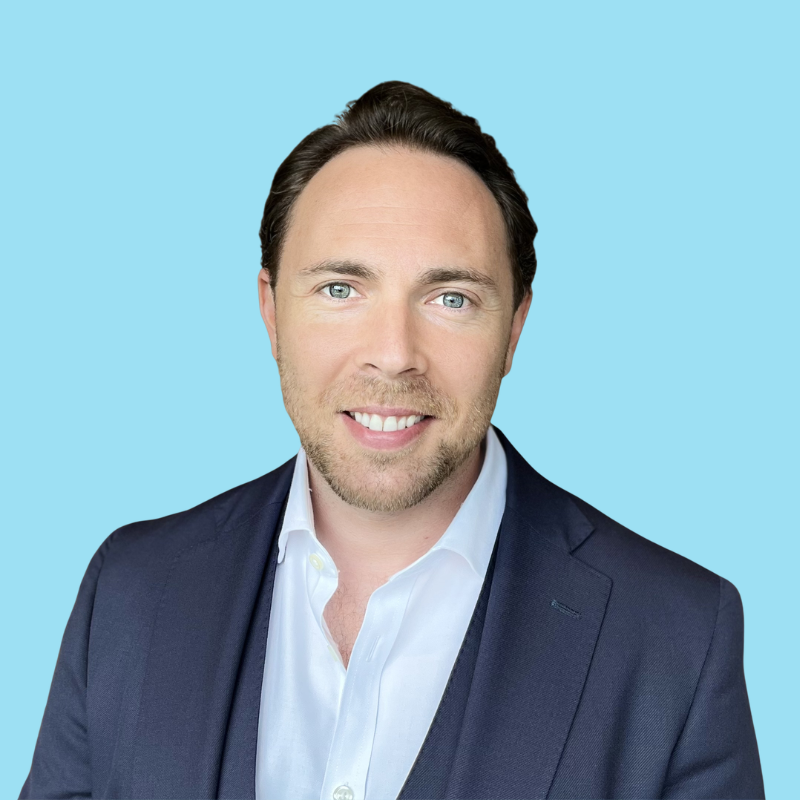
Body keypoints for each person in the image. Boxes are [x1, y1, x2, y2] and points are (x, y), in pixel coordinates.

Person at [21, 82, 764, 800]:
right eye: (340, 289)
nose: (393, 354)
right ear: (271, 312)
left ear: (515, 328)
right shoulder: (130, 590)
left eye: (451, 298)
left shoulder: (676, 639)